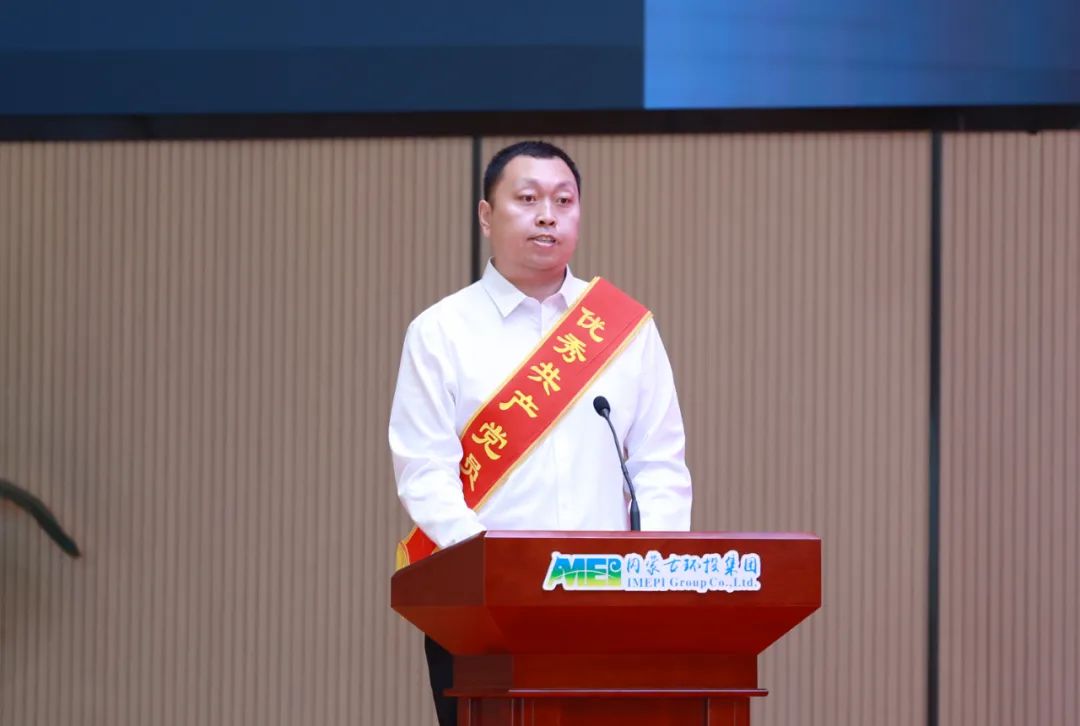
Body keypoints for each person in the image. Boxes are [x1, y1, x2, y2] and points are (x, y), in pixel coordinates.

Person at [388, 140, 692, 726]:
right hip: (483, 613)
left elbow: (659, 464)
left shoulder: (625, 330)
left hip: (608, 605)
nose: (547, 215)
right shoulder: (440, 331)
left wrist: (655, 576)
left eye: (563, 200)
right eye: (527, 199)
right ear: (486, 216)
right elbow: (424, 471)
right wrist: (495, 575)